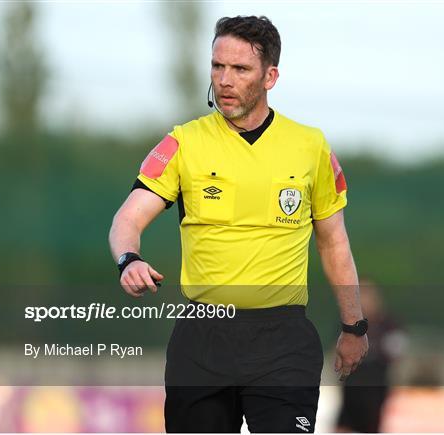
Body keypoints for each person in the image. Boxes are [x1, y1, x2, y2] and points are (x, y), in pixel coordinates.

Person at [109, 15, 368, 433]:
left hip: (283, 340)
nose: (224, 80)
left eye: (240, 69)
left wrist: (354, 326)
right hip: (203, 338)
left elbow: (334, 242)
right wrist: (128, 258)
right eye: (217, 66)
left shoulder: (310, 146)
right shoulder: (184, 142)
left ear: (271, 76)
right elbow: (128, 216)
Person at [334, 280, 406, 433]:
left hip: (375, 389)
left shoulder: (388, 324)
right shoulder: (349, 326)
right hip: (351, 390)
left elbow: (395, 352)